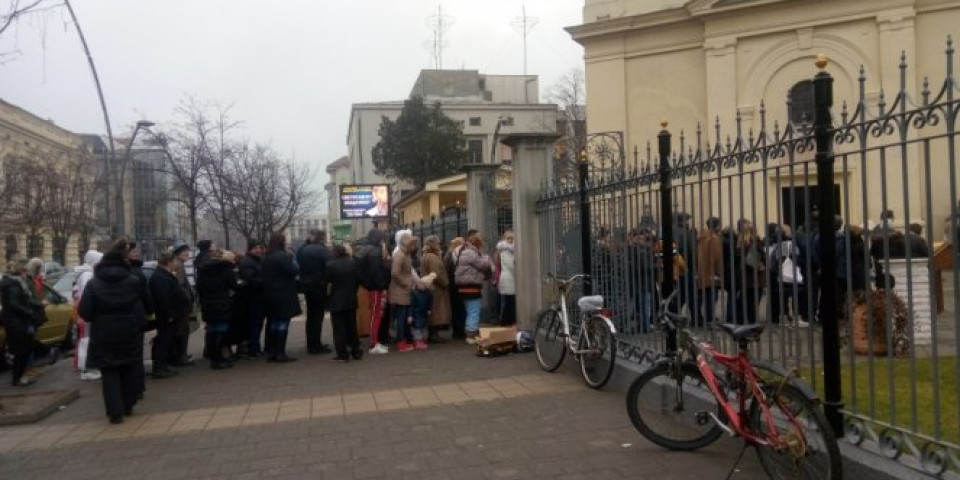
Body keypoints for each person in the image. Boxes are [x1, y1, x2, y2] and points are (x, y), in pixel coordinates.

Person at [78, 252, 147, 424]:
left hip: (103, 331)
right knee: (128, 367)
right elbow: (140, 304)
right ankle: (128, 404)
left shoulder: (93, 284)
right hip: (128, 329)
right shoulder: (133, 282)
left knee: (109, 371)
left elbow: (85, 311)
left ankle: (115, 412)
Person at [1, 258, 42, 386]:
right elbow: (14, 304)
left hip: (19, 320)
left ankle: (20, 376)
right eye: (24, 269)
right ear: (19, 271)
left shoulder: (18, 283)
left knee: (26, 347)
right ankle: (17, 378)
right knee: (21, 350)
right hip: (15, 321)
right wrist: (28, 312)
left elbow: (24, 300)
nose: (26, 272)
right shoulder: (12, 284)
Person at [148, 252, 190, 379]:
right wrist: (169, 314)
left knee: (167, 340)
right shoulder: (161, 277)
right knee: (163, 340)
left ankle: (163, 365)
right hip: (165, 316)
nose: (176, 264)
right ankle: (159, 367)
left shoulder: (164, 276)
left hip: (169, 314)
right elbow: (163, 299)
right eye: (174, 261)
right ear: (169, 262)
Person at [196, 249, 239, 369]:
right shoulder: (225, 269)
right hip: (222, 303)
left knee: (211, 331)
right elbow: (234, 286)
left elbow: (199, 288)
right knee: (221, 331)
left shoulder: (203, 271)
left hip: (207, 304)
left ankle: (213, 358)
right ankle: (220, 358)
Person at [261, 233, 301, 362]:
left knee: (273, 322)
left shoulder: (266, 256)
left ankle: (271, 351)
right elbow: (293, 270)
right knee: (283, 323)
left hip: (269, 294)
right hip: (283, 294)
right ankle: (280, 352)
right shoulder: (283, 256)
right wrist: (292, 259)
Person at [355, 229, 391, 354]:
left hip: (370, 286)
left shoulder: (364, 250)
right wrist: (382, 285)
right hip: (376, 287)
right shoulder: (374, 252)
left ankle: (375, 342)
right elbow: (376, 271)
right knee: (375, 316)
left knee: (374, 315)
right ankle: (374, 343)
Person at [325, 244, 362, 361]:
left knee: (338, 328)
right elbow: (358, 279)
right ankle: (355, 350)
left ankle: (342, 353)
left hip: (336, 300)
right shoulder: (352, 263)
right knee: (352, 325)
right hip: (350, 299)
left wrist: (328, 296)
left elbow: (327, 282)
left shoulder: (330, 265)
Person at [454, 231, 492, 344]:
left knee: (470, 311)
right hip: (471, 286)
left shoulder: (463, 251)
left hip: (463, 287)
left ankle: (469, 332)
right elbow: (482, 265)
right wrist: (487, 259)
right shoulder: (471, 252)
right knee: (474, 311)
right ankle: (471, 335)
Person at [298, 230, 332, 354]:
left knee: (310, 316)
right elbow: (328, 267)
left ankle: (310, 343)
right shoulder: (322, 250)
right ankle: (316, 346)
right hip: (318, 287)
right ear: (322, 238)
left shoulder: (304, 249)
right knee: (318, 316)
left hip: (307, 286)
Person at [74, 249, 104, 380]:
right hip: (88, 312)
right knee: (87, 340)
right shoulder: (87, 275)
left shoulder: (87, 274)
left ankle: (88, 366)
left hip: (86, 311)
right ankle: (86, 368)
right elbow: (89, 295)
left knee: (87, 339)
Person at [238, 239, 267, 357]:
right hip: (253, 297)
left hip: (258, 296)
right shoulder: (248, 262)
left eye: (260, 247)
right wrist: (264, 281)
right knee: (254, 324)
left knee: (257, 324)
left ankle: (254, 347)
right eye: (256, 248)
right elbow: (250, 280)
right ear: (250, 249)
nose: (259, 250)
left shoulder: (256, 260)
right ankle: (254, 348)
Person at [389, 232, 417, 352]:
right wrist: (406, 283)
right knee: (401, 318)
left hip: (403, 290)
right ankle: (401, 342)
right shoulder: (400, 255)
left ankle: (405, 340)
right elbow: (395, 273)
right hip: (400, 290)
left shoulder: (404, 254)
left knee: (404, 317)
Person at [421, 236, 451, 342]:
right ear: (432, 245)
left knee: (433, 310)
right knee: (436, 311)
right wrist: (445, 283)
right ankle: (433, 334)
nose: (439, 245)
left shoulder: (426, 256)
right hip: (436, 288)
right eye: (437, 243)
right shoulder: (432, 257)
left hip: (431, 286)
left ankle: (433, 334)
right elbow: (436, 273)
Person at [735, 220, 765, 325]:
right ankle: (752, 321)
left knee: (744, 298)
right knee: (754, 300)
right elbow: (761, 257)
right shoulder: (755, 242)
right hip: (755, 275)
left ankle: (741, 319)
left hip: (744, 275)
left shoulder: (740, 242)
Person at [695, 217, 723, 328]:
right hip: (711, 273)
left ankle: (705, 319)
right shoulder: (714, 239)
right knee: (712, 298)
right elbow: (716, 258)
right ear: (717, 226)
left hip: (702, 272)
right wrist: (719, 273)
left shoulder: (701, 238)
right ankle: (710, 321)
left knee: (705, 297)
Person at [171, 242, 196, 367]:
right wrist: (188, 299)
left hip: (180, 305)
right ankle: (181, 357)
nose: (187, 253)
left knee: (182, 331)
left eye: (188, 251)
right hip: (181, 306)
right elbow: (180, 287)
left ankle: (181, 355)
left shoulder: (178, 264)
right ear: (177, 253)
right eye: (184, 251)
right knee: (182, 331)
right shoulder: (178, 266)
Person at [444, 237, 466, 340]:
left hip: (453, 287)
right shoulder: (452, 256)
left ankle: (458, 331)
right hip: (455, 286)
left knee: (457, 309)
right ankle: (459, 331)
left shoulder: (449, 255)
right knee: (458, 309)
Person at [495, 230, 516, 326]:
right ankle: (505, 323)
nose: (511, 240)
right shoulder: (506, 250)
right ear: (505, 238)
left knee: (507, 302)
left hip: (507, 278)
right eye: (509, 238)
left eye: (512, 238)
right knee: (509, 303)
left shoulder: (503, 250)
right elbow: (511, 266)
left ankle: (505, 322)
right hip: (509, 279)